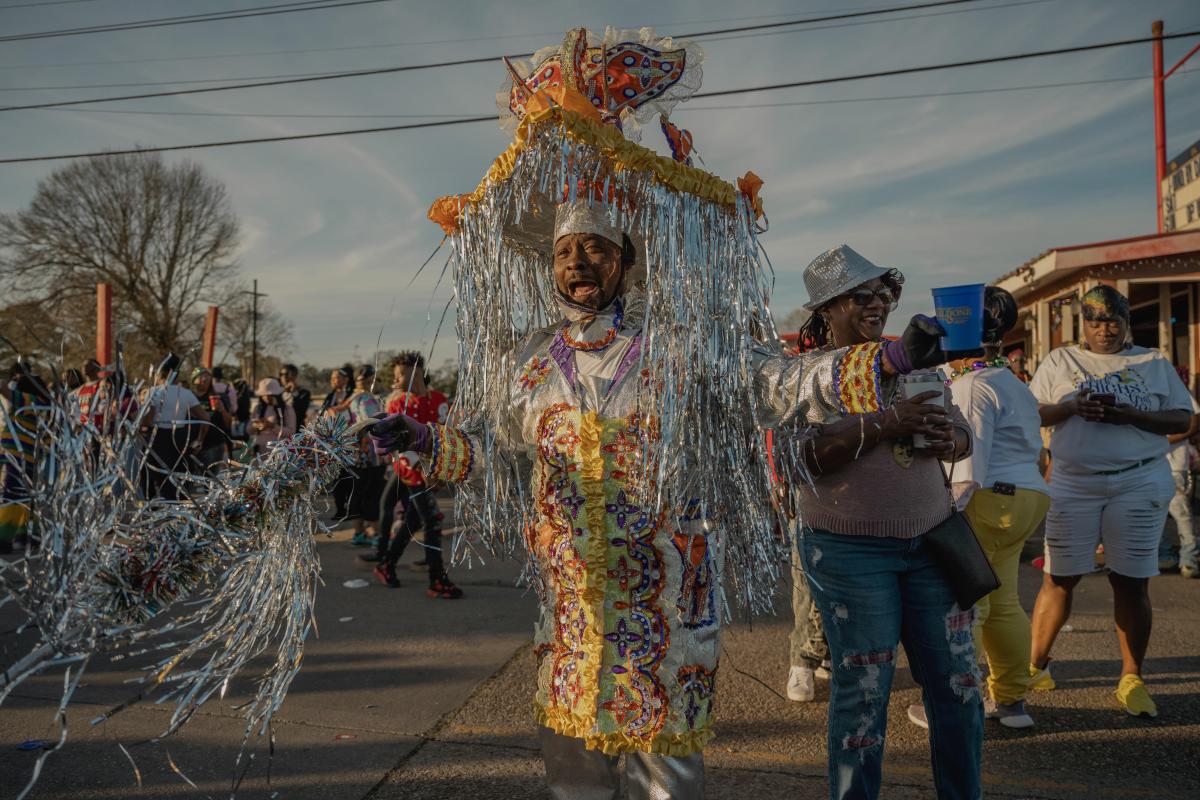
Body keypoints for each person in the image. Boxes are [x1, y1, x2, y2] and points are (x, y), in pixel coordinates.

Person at [369, 215, 947, 795]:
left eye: (594, 247)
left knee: (664, 770)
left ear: (626, 259)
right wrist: (422, 439)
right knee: (575, 768)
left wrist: (887, 360)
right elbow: (495, 450)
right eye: (564, 251)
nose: (577, 263)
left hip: (665, 603)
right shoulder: (531, 360)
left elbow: (774, 383)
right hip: (572, 609)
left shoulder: (679, 344)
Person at [784, 245, 979, 800]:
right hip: (849, 551)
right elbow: (796, 461)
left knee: (958, 690)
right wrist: (885, 423)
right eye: (860, 295)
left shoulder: (915, 361)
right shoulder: (802, 378)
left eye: (883, 294)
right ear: (826, 310)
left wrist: (952, 438)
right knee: (864, 693)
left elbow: (963, 430)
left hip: (934, 545)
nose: (877, 304)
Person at [1028, 285, 1192, 719]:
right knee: (1060, 577)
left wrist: (1130, 415)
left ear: (1126, 322)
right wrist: (1072, 408)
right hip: (1073, 481)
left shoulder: (1153, 362)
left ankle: (1132, 677)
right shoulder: (1061, 361)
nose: (1106, 330)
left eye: (1114, 321)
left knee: (1131, 580)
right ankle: (1035, 666)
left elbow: (1183, 419)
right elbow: (1032, 411)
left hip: (1137, 480)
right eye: (1097, 321)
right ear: (1084, 322)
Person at [940, 287, 1049, 729]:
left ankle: (956, 706)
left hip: (987, 497)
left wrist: (945, 514)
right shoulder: (1011, 382)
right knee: (1004, 603)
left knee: (969, 606)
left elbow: (967, 463)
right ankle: (1011, 704)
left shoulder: (971, 386)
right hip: (1026, 497)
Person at [362, 352, 462, 600]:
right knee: (433, 519)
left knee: (415, 521)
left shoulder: (439, 400)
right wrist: (422, 468)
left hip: (433, 472)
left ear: (415, 371)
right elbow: (397, 444)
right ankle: (437, 578)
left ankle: (386, 564)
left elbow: (446, 437)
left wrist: (441, 470)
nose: (396, 379)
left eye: (399, 374)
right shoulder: (397, 404)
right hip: (411, 471)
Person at [141, 354, 210, 501]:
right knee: (177, 477)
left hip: (157, 437)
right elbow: (205, 417)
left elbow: (147, 419)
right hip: (179, 438)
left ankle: (155, 509)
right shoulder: (186, 393)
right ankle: (176, 511)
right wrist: (200, 439)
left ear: (162, 373)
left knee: (155, 475)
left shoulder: (153, 392)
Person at [0, 361, 52, 554]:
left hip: (17, 454)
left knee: (12, 494)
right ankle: (29, 535)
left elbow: (6, 392)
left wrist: (7, 381)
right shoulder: (39, 403)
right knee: (25, 496)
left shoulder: (29, 400)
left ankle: (4, 537)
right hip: (27, 456)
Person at [347, 364, 385, 547]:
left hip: (355, 452)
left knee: (358, 492)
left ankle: (358, 532)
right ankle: (377, 533)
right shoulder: (367, 400)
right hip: (370, 453)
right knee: (372, 493)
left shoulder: (353, 398)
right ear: (371, 380)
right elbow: (372, 423)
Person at [1160, 398, 1199, 576]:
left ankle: (1189, 559)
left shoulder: (1177, 390)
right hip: (1150, 464)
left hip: (1174, 465)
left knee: (1180, 513)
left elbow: (1194, 422)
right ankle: (1166, 556)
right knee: (1154, 513)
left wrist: (1164, 441)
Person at [321, 365, 354, 520]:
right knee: (336, 476)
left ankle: (350, 508)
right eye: (332, 378)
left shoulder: (352, 395)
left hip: (349, 440)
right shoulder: (330, 396)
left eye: (337, 378)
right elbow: (324, 414)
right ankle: (340, 508)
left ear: (346, 379)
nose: (334, 381)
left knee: (349, 476)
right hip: (333, 441)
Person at [190, 367, 234, 472]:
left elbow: (228, 424)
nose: (205, 378)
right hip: (192, 445)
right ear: (193, 380)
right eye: (200, 376)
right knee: (193, 481)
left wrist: (222, 409)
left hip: (214, 445)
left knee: (211, 480)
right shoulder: (189, 397)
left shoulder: (219, 397)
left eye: (207, 375)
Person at [249, 378, 296, 456]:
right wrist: (255, 426)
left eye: (270, 395)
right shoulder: (258, 408)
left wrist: (272, 426)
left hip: (278, 452)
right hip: (259, 452)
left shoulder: (287, 409)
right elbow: (248, 430)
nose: (267, 397)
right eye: (264, 395)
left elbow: (291, 432)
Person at [279, 364, 312, 432]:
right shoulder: (278, 393)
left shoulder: (304, 393)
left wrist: (293, 392)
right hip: (281, 431)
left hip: (297, 432)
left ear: (294, 376)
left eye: (286, 374)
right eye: (281, 374)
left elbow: (299, 411)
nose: (283, 377)